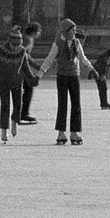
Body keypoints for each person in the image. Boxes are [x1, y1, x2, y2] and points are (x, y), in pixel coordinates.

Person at [39, 18, 98, 146]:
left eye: (75, 30)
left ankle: (74, 132)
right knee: (63, 104)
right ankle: (61, 132)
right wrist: (40, 73)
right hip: (62, 76)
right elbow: (49, 59)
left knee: (76, 104)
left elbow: (82, 58)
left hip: (74, 76)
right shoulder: (58, 43)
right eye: (72, 30)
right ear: (65, 31)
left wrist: (92, 69)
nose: (74, 33)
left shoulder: (77, 43)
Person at [16, 21, 43, 125]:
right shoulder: (27, 39)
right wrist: (37, 66)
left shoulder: (26, 38)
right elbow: (24, 55)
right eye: (39, 31)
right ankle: (23, 113)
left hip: (20, 67)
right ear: (34, 32)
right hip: (21, 68)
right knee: (28, 88)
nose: (39, 34)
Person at [88, 41, 110, 109]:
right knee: (103, 88)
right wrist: (103, 75)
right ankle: (104, 102)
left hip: (97, 74)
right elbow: (104, 67)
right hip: (99, 75)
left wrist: (91, 74)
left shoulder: (102, 56)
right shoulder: (105, 58)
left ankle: (104, 102)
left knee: (102, 88)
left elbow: (96, 65)